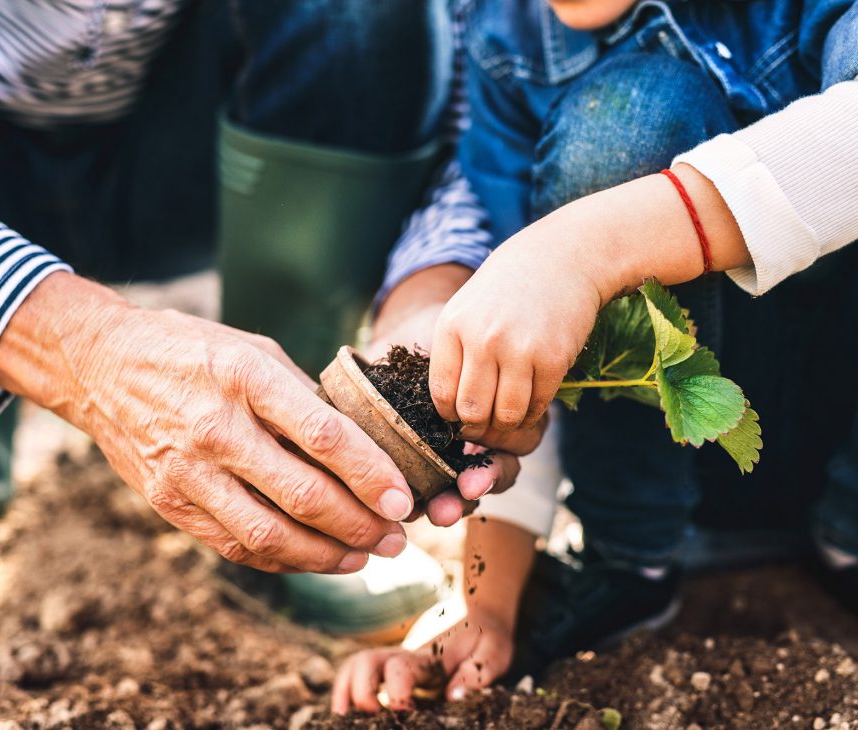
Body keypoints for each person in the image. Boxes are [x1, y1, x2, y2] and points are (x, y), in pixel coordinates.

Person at [0, 1, 538, 577]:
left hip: (185, 147)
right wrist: (82, 349)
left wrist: (431, 285)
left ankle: (296, 465)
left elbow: (475, 66)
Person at [332, 0, 858, 713]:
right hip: (679, 484)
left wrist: (589, 248)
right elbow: (517, 336)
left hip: (832, 410)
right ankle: (627, 560)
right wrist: (487, 605)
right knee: (628, 114)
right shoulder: (507, 40)